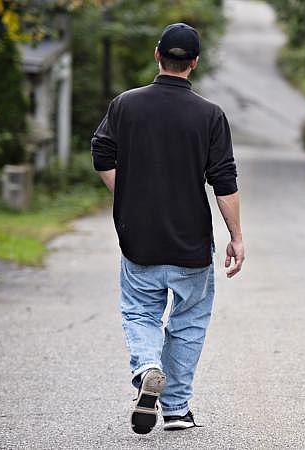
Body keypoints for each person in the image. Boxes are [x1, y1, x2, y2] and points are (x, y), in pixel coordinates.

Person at [91, 22, 244, 434]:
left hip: (139, 238)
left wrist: (129, 195)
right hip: (191, 241)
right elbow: (224, 180)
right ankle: (176, 409)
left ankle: (148, 369)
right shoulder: (210, 115)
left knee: (140, 311)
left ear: (158, 54)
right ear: (194, 63)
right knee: (189, 322)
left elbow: (101, 152)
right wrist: (236, 236)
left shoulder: (125, 105)